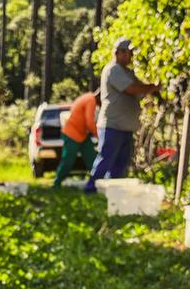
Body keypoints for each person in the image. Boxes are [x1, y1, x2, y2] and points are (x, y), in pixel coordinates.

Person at [85, 38, 160, 193]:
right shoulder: (114, 69)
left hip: (125, 126)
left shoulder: (127, 72)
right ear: (118, 53)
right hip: (113, 125)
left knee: (120, 163)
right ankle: (91, 188)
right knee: (106, 159)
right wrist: (152, 87)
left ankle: (113, 192)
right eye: (128, 52)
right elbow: (131, 89)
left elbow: (139, 90)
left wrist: (150, 90)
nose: (130, 56)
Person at [53, 91, 100, 188]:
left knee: (92, 158)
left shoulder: (88, 97)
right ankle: (56, 183)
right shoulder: (90, 100)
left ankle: (97, 182)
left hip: (82, 134)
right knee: (68, 160)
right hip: (72, 134)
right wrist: (99, 135)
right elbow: (90, 122)